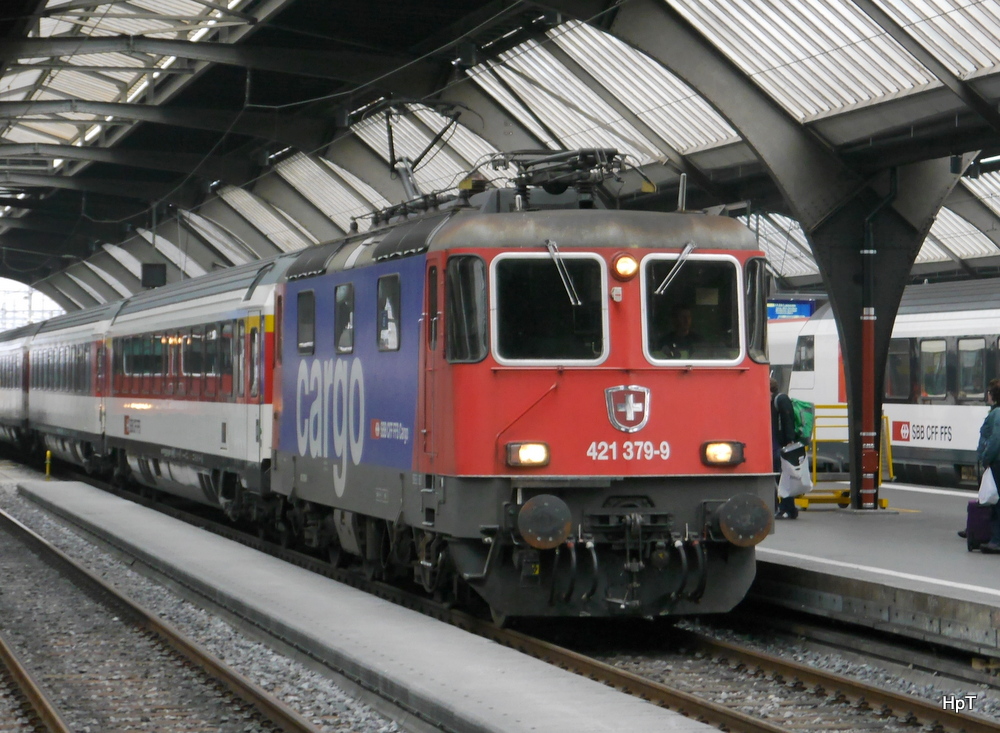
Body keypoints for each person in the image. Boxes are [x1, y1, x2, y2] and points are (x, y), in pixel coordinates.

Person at [976, 378, 1000, 552]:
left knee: (996, 501)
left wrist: (986, 458)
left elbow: (995, 439)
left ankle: (996, 540)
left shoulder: (997, 414)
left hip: (997, 461)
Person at [771, 377, 798, 519]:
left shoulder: (780, 400)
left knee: (784, 477)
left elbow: (788, 420)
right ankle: (784, 507)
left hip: (781, 446)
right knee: (780, 477)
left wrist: (790, 441)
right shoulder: (773, 400)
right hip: (775, 446)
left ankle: (788, 508)